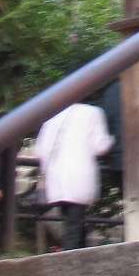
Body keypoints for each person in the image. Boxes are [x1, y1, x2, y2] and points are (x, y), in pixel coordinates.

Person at [34, 97, 113, 252]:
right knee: (74, 223)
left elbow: (40, 149)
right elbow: (100, 146)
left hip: (56, 176)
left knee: (71, 221)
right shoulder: (92, 112)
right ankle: (71, 255)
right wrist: (112, 140)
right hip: (79, 173)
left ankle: (79, 252)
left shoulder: (53, 116)